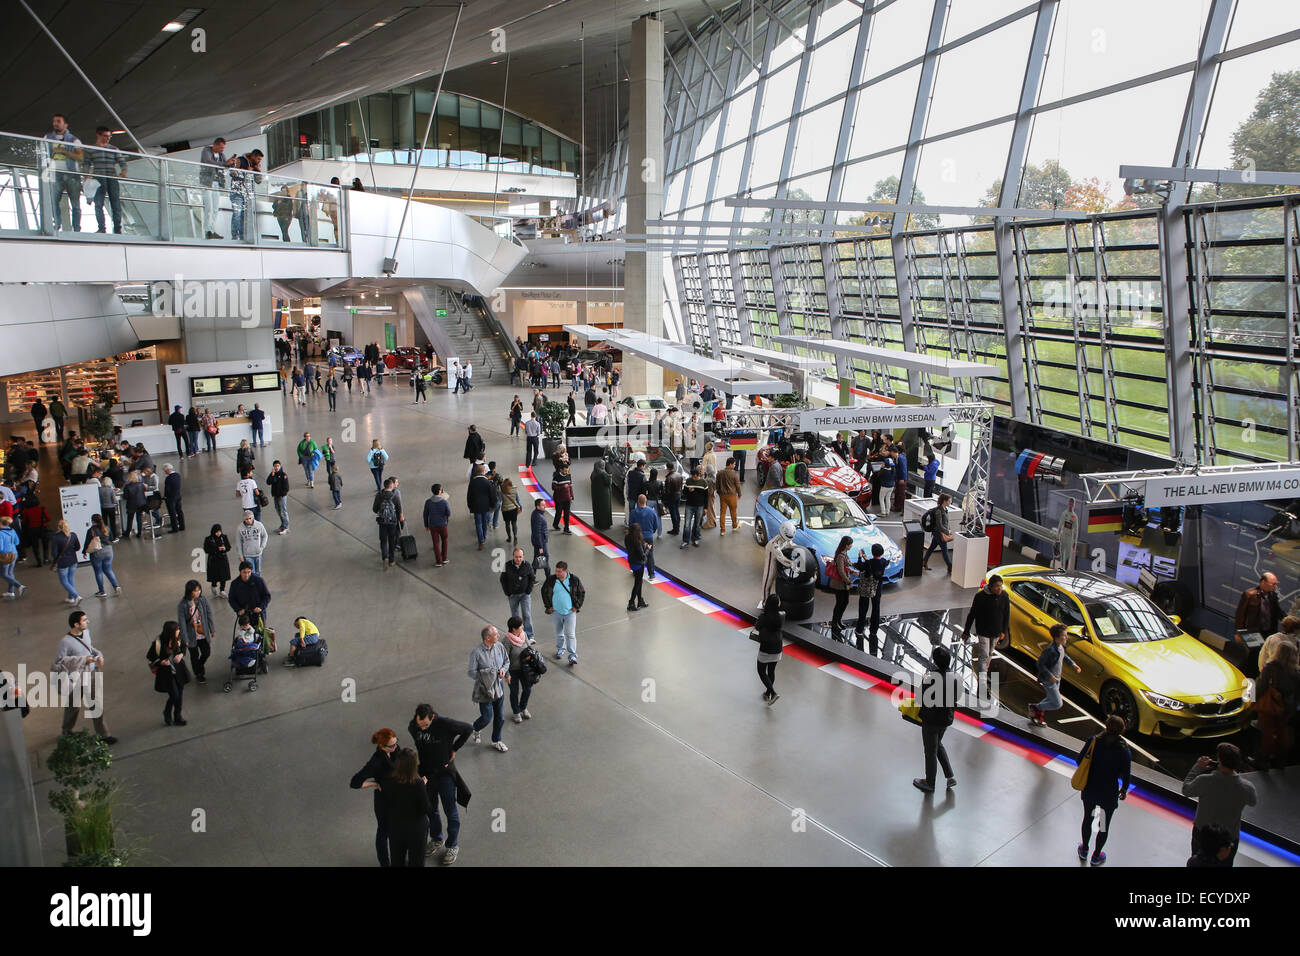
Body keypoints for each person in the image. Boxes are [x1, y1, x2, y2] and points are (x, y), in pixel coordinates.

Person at [408, 704, 471, 865]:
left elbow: (468, 728)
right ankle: (437, 838)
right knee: (431, 809)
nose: (422, 729)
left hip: (445, 774)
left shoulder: (445, 724)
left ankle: (453, 845)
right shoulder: (413, 726)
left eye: (425, 726)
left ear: (433, 717)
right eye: (419, 725)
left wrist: (454, 749)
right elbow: (417, 738)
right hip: (427, 774)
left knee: (450, 809)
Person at [1182, 743, 1257, 866]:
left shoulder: (1204, 780)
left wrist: (1197, 767)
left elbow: (1186, 790)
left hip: (1202, 833)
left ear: (1219, 760)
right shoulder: (1247, 788)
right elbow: (1253, 802)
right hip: (1229, 837)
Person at [1075, 714, 1131, 866]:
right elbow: (1126, 774)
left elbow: (1079, 760)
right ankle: (1096, 855)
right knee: (1104, 825)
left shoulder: (1094, 741)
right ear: (1122, 731)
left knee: (1088, 818)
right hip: (1108, 793)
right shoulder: (1124, 750)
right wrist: (1124, 789)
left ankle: (1084, 849)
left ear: (1106, 725)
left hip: (1090, 787)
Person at [54, 611, 115, 743]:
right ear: (76, 624)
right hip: (75, 679)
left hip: (91, 675)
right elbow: (59, 662)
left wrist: (99, 656)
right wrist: (83, 660)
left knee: (96, 704)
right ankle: (66, 731)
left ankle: (104, 734)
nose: (88, 622)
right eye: (84, 620)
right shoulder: (65, 642)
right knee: (73, 707)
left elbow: (90, 649)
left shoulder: (86, 632)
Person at [912, 644, 960, 794]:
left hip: (931, 719)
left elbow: (920, 697)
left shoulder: (931, 677)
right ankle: (949, 776)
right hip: (946, 719)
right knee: (937, 744)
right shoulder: (955, 678)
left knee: (930, 751)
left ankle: (930, 783)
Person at [350, 728, 399, 866]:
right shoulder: (376, 762)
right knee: (383, 832)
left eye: (396, 743)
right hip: (384, 801)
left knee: (398, 830)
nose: (395, 747)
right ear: (381, 746)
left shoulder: (395, 750)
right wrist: (374, 783)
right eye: (391, 746)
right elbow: (355, 782)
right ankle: (385, 863)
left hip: (398, 797)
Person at [380, 748, 431, 867]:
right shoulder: (418, 784)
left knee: (397, 860)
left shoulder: (387, 781)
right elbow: (426, 808)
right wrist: (424, 787)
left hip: (396, 827)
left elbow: (385, 804)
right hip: (416, 828)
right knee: (416, 861)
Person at [961, 574, 1010, 700]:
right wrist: (966, 631)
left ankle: (982, 680)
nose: (999, 589)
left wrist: (1003, 631)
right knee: (984, 657)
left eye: (1001, 586)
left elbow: (1006, 614)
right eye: (997, 587)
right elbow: (972, 614)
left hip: (996, 632)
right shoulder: (980, 597)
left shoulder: (1004, 596)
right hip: (983, 631)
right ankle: (982, 686)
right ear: (991, 586)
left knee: (989, 656)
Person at [1254, 641, 1299, 770]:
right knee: (1282, 733)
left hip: (1270, 708)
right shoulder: (1296, 672)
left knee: (1266, 734)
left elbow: (1261, 687)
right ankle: (1280, 760)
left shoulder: (1270, 667)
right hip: (1287, 709)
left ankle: (1262, 761)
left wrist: (1251, 700)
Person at [1028, 623, 1082, 726]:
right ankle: (1036, 708)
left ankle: (1036, 712)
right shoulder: (1050, 650)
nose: (1066, 637)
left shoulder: (1061, 647)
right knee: (1057, 703)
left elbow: (1064, 656)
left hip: (1057, 679)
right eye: (1064, 635)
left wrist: (1073, 665)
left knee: (1050, 699)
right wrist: (1050, 676)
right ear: (1057, 637)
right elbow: (1040, 663)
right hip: (1049, 680)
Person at [468, 625, 510, 752]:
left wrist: (503, 670)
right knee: (486, 717)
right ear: (487, 638)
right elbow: (471, 672)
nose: (498, 636)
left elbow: (506, 662)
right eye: (496, 634)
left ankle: (496, 740)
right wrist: (487, 676)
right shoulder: (477, 653)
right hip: (485, 689)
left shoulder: (499, 647)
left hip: (499, 686)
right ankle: (475, 728)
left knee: (500, 717)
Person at [45, 114, 84, 232]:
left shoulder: (74, 140)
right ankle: (56, 225)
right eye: (54, 121)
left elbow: (80, 157)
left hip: (71, 174)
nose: (55, 123)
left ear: (65, 124)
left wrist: (63, 151)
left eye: (58, 121)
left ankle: (76, 228)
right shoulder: (47, 138)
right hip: (55, 173)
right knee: (54, 201)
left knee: (75, 204)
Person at [147, 621, 189, 727]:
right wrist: (161, 662)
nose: (179, 631)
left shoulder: (178, 639)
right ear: (170, 632)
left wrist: (180, 655)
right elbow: (150, 657)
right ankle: (167, 712)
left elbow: (183, 647)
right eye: (176, 630)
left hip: (178, 671)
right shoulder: (158, 643)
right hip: (166, 675)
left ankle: (177, 717)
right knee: (175, 695)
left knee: (179, 694)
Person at [542, 561, 584, 665]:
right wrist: (549, 607)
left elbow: (582, 593)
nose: (557, 573)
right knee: (558, 633)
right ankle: (561, 649)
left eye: (559, 571)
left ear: (565, 571)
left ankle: (572, 655)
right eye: (556, 571)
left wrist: (577, 606)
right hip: (556, 612)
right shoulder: (551, 580)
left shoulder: (574, 580)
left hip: (570, 612)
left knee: (570, 634)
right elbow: (544, 591)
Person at [177, 580, 217, 685]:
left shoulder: (202, 600)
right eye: (195, 591)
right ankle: (199, 673)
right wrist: (185, 639)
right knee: (194, 656)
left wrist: (212, 629)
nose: (198, 592)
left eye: (199, 590)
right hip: (191, 636)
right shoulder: (183, 605)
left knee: (206, 652)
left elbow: (209, 614)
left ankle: (198, 666)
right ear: (189, 592)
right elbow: (182, 623)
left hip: (202, 632)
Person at [851, 543, 888, 655]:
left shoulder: (869, 563)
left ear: (872, 552)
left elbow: (859, 566)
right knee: (876, 608)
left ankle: (859, 629)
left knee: (863, 608)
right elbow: (876, 564)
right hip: (877, 587)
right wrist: (866, 559)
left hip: (867, 588)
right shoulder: (884, 561)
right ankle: (874, 630)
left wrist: (860, 557)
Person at [500, 548, 536, 639]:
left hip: (525, 595)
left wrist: (528, 591)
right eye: (516, 557)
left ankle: (529, 636)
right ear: (513, 557)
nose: (518, 559)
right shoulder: (507, 565)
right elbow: (502, 579)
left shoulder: (527, 565)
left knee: (526, 615)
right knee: (515, 616)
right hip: (513, 595)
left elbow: (532, 578)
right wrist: (507, 592)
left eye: (520, 557)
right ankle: (517, 635)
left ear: (523, 556)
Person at [81, 514, 120, 597]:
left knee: (98, 572)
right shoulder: (107, 528)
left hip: (97, 553)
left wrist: (84, 552)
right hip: (109, 551)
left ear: (93, 521)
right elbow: (112, 538)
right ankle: (116, 586)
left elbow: (87, 542)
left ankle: (102, 591)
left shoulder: (91, 530)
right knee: (108, 570)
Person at [228, 561, 271, 634]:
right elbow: (231, 599)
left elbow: (267, 596)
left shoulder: (259, 581)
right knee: (246, 635)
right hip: (244, 617)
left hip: (258, 615)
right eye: (244, 572)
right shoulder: (235, 584)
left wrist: (261, 607)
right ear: (240, 572)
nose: (246, 575)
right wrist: (238, 609)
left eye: (249, 572)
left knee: (260, 634)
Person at [1235, 572, 1282, 638]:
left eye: (1276, 584)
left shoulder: (1273, 596)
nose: (1275, 586)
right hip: (1252, 632)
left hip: (1268, 633)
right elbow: (1240, 615)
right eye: (1273, 584)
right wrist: (1238, 633)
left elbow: (1278, 612)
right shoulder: (1249, 595)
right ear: (1263, 582)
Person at [629, 493, 660, 581]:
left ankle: (637, 573)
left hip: (637, 537)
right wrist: (651, 532)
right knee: (650, 555)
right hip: (649, 536)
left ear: (638, 502)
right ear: (645, 501)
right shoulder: (652, 511)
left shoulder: (633, 512)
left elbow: (631, 525)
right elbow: (655, 525)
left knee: (638, 554)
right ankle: (651, 574)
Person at [374, 477, 403, 569]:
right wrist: (400, 517)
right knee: (391, 540)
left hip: (382, 522)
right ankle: (391, 560)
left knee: (383, 541)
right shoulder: (395, 495)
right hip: (392, 522)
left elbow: (374, 509)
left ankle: (384, 557)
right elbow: (399, 509)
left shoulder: (379, 495)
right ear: (391, 486)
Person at [50, 520, 82, 605]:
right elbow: (78, 547)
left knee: (64, 581)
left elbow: (54, 553)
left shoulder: (56, 538)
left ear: (58, 527)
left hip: (63, 562)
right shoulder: (73, 535)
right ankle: (71, 598)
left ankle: (76, 596)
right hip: (73, 560)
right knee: (71, 578)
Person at [828, 536, 853, 642]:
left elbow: (846, 567)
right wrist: (848, 581)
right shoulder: (840, 556)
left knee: (844, 602)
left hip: (843, 584)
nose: (851, 546)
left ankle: (838, 621)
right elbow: (841, 571)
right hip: (840, 584)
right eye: (850, 544)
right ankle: (835, 622)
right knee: (840, 603)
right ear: (846, 545)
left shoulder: (844, 554)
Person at [921, 493, 954, 573]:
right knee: (944, 550)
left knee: (932, 547)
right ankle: (950, 566)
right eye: (949, 501)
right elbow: (939, 525)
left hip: (937, 533)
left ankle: (924, 562)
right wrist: (947, 531)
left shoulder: (944, 509)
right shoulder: (939, 511)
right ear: (945, 501)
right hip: (939, 533)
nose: (950, 502)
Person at [466, 464, 495, 551]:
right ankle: (484, 536)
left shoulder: (472, 482)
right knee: (484, 522)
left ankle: (481, 540)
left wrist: (470, 506)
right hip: (486, 506)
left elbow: (469, 496)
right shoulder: (487, 482)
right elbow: (492, 495)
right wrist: (492, 506)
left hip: (476, 506)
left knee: (478, 524)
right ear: (483, 472)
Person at [681, 465, 708, 548]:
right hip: (689, 505)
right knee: (687, 524)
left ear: (698, 475)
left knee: (697, 524)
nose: (694, 478)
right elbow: (684, 493)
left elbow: (706, 496)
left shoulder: (704, 482)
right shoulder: (688, 481)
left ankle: (695, 539)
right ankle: (685, 540)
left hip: (700, 506)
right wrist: (688, 490)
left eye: (695, 477)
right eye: (693, 477)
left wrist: (706, 507)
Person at [237, 510, 268, 576]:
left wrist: (262, 547)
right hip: (248, 555)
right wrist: (240, 556)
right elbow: (238, 543)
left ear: (253, 518)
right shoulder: (240, 528)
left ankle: (258, 585)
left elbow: (265, 535)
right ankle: (252, 585)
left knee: (258, 572)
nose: (248, 520)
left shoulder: (259, 525)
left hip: (258, 553)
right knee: (251, 573)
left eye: (250, 518)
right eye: (246, 519)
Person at [716, 456, 742, 536]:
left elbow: (717, 485)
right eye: (734, 464)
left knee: (722, 513)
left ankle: (722, 530)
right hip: (732, 496)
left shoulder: (719, 473)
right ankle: (734, 526)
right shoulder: (734, 474)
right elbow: (737, 485)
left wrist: (719, 493)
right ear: (730, 464)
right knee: (733, 512)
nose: (735, 465)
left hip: (722, 496)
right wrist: (739, 494)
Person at [204, 524, 232, 595]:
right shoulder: (208, 539)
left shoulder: (224, 537)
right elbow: (206, 550)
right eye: (216, 532)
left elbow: (228, 546)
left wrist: (225, 548)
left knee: (223, 576)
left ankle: (222, 590)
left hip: (223, 560)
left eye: (219, 532)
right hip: (213, 560)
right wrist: (216, 549)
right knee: (214, 576)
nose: (218, 533)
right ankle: (213, 585)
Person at [267, 460, 291, 535]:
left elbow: (286, 487)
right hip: (276, 496)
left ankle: (286, 527)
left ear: (280, 466)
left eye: (278, 466)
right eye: (275, 466)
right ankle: (282, 525)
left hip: (282, 496)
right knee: (278, 511)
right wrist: (272, 474)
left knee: (283, 511)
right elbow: (268, 482)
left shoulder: (283, 475)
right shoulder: (273, 474)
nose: (276, 467)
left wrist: (283, 494)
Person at [551, 464, 574, 534]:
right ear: (561, 470)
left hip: (567, 498)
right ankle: (555, 524)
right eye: (565, 470)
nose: (566, 472)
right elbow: (553, 488)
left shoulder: (568, 476)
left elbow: (570, 487)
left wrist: (572, 496)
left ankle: (566, 528)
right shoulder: (556, 477)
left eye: (567, 470)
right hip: (558, 499)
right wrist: (563, 487)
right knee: (559, 512)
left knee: (567, 514)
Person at [162, 463, 184, 533]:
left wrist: (165, 497)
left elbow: (167, 489)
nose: (164, 472)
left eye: (165, 470)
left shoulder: (168, 478)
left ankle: (175, 528)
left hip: (170, 498)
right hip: (178, 496)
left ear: (167, 470)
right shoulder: (177, 475)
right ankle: (182, 526)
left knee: (172, 513)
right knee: (179, 511)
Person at [499, 478, 521, 545]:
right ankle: (515, 537)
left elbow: (499, 501)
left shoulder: (502, 491)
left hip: (505, 510)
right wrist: (520, 506)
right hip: (513, 509)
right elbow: (518, 499)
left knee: (507, 524)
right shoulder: (515, 490)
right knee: (514, 524)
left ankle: (509, 537)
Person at [531, 498, 550, 572]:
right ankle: (549, 578)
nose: (545, 506)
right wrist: (540, 546)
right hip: (541, 542)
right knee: (545, 558)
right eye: (543, 505)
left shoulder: (536, 513)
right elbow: (537, 532)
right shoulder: (538, 517)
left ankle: (532, 578)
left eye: (544, 505)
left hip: (539, 542)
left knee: (537, 559)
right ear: (537, 506)